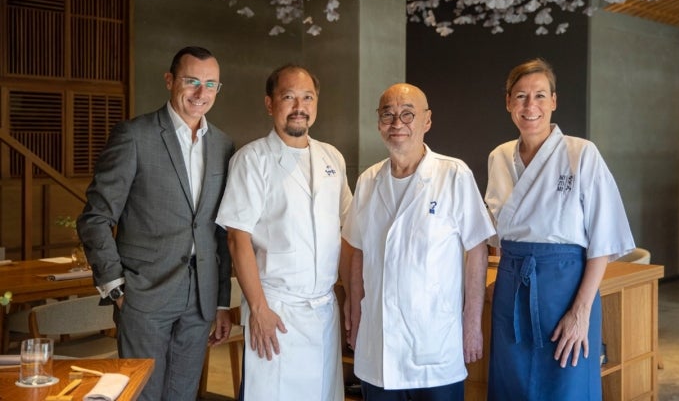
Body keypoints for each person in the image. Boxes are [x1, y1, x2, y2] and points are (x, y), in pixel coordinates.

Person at [76, 46, 235, 401]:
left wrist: (221, 301)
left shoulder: (224, 145)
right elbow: (95, 218)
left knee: (182, 394)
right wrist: (116, 287)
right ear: (169, 81)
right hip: (143, 294)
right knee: (143, 394)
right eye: (191, 81)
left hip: (201, 296)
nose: (200, 93)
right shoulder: (134, 136)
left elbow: (220, 232)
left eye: (211, 84)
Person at [484, 58, 636, 400]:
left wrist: (580, 313)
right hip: (513, 289)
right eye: (521, 96)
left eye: (539, 95)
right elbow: (495, 233)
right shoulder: (499, 157)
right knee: (512, 388)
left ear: (554, 101)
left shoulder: (581, 153)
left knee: (567, 388)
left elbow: (603, 240)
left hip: (566, 290)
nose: (530, 106)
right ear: (508, 101)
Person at [340, 83, 496, 401]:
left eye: (408, 114)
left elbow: (477, 250)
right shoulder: (368, 181)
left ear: (426, 121)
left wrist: (472, 323)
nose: (398, 123)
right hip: (379, 343)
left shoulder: (454, 175)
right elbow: (356, 252)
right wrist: (354, 312)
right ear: (378, 121)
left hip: (435, 343)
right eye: (388, 114)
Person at [215, 64, 352, 401]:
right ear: (269, 103)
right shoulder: (252, 159)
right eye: (288, 97)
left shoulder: (332, 157)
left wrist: (350, 299)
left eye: (307, 97)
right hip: (276, 309)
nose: (299, 107)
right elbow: (237, 239)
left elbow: (348, 231)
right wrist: (258, 310)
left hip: (323, 309)